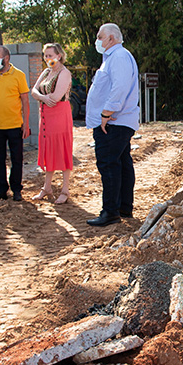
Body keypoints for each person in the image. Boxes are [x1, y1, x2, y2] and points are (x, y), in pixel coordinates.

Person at [85, 23, 140, 227]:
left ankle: (110, 211)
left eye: (100, 37)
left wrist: (107, 112)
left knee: (108, 164)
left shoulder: (118, 56)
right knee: (121, 162)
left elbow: (120, 87)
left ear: (111, 38)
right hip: (118, 120)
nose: (97, 41)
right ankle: (123, 207)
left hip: (113, 121)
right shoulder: (114, 58)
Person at [0, 45, 30, 202]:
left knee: (16, 159)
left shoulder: (19, 75)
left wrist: (26, 123)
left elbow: (25, 100)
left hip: (15, 125)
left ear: (6, 58)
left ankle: (16, 189)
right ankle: (1, 189)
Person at [31, 43, 73, 204]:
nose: (47, 58)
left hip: (59, 114)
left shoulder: (64, 73)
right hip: (46, 115)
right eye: (45, 55)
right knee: (49, 149)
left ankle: (65, 189)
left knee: (61, 148)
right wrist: (43, 98)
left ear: (59, 56)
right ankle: (47, 187)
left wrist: (43, 97)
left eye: (50, 55)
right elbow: (34, 91)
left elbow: (56, 97)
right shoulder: (47, 71)